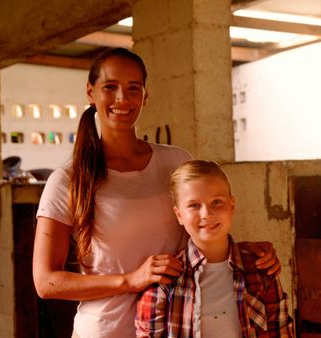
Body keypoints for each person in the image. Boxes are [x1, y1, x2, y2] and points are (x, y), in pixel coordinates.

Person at [32, 48, 280, 338]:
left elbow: (199, 231)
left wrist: (250, 254)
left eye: (133, 89)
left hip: (174, 327)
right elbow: (46, 282)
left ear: (145, 95)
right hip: (106, 331)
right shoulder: (68, 179)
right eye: (110, 87)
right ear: (91, 92)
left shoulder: (175, 162)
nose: (122, 99)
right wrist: (130, 280)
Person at [135, 160, 293, 338]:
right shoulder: (164, 280)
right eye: (194, 205)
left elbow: (281, 333)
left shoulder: (261, 269)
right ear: (179, 215)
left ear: (232, 206)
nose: (207, 214)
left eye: (217, 202)